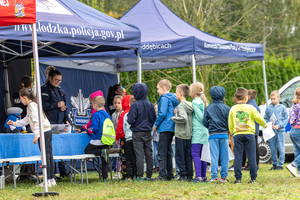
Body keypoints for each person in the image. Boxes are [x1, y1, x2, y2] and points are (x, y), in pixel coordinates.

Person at [7, 88, 56, 187]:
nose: (20, 101)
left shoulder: (32, 105)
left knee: (46, 156)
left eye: (21, 99)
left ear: (24, 97)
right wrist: (15, 123)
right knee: (49, 155)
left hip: (43, 132)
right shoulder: (32, 105)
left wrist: (37, 135)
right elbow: (26, 120)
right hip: (47, 131)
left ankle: (48, 180)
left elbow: (36, 120)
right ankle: (51, 179)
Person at [229, 87, 267, 184]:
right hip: (250, 134)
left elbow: (230, 123)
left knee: (238, 156)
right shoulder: (251, 107)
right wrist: (265, 125)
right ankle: (253, 178)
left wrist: (233, 132)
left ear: (236, 98)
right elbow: (258, 117)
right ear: (246, 98)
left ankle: (238, 178)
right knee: (251, 156)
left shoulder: (233, 109)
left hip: (237, 134)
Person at [41, 67, 71, 178]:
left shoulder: (60, 90)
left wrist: (66, 118)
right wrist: (56, 105)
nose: (57, 82)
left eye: (60, 80)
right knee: (50, 148)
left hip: (60, 124)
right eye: (56, 80)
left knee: (61, 147)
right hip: (50, 124)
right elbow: (43, 106)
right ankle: (51, 173)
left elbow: (64, 107)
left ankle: (64, 171)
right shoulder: (44, 89)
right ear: (50, 78)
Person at [127, 83, 156, 181]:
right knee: (149, 153)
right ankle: (149, 175)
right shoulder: (150, 104)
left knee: (139, 154)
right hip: (148, 131)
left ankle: (139, 175)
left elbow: (130, 120)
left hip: (137, 132)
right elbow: (154, 118)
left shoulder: (135, 105)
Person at [203, 86, 230, 183]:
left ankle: (214, 177)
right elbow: (229, 122)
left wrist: (210, 128)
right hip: (224, 135)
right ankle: (224, 177)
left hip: (213, 135)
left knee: (214, 156)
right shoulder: (227, 108)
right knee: (225, 157)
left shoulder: (208, 108)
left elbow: (205, 122)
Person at [154, 79, 179, 181]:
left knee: (162, 151)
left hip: (165, 127)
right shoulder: (174, 98)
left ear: (164, 88)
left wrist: (156, 124)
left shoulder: (164, 98)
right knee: (168, 151)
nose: (157, 91)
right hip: (172, 126)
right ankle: (169, 174)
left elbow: (162, 113)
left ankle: (162, 174)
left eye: (158, 89)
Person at [84, 96, 110, 182]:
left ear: (95, 104)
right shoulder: (107, 115)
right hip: (106, 140)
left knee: (87, 150)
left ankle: (100, 152)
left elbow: (94, 127)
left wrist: (87, 132)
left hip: (97, 139)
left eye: (92, 104)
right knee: (104, 159)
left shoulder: (96, 114)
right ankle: (105, 177)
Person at [171, 84, 194, 181]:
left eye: (176, 93)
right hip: (188, 134)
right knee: (188, 156)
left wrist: (174, 118)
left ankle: (183, 175)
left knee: (180, 156)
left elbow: (183, 118)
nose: (175, 95)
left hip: (180, 134)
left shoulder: (181, 106)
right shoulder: (190, 105)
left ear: (180, 94)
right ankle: (189, 174)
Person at [264, 90, 288, 170]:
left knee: (281, 148)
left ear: (278, 98)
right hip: (271, 132)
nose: (273, 100)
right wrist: (268, 124)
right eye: (271, 99)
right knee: (272, 148)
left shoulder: (283, 108)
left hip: (280, 131)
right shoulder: (268, 108)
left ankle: (280, 164)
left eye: (274, 99)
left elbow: (286, 119)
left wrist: (279, 125)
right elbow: (265, 118)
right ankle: (274, 164)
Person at [189, 82, 209, 183]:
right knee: (203, 154)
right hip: (205, 132)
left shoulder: (195, 102)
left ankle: (198, 176)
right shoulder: (203, 101)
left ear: (193, 92)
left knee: (195, 153)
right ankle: (204, 176)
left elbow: (200, 117)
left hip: (198, 132)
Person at [242, 89, 261, 170]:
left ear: (248, 96)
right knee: (255, 147)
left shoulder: (248, 106)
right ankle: (256, 164)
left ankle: (251, 164)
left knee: (250, 149)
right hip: (255, 130)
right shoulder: (256, 106)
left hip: (250, 130)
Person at [286, 87, 300, 177]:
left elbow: (289, 119)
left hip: (293, 131)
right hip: (299, 130)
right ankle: (292, 165)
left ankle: (299, 172)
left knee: (298, 152)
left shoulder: (293, 106)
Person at [123, 96, 137, 181]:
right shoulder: (138, 114)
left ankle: (129, 176)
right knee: (136, 157)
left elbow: (124, 127)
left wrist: (126, 135)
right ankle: (136, 174)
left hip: (128, 138)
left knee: (129, 158)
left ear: (129, 104)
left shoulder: (126, 115)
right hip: (136, 137)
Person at [111, 95, 123, 179]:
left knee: (121, 155)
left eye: (119, 103)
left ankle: (120, 171)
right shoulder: (113, 115)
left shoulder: (123, 114)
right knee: (117, 155)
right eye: (115, 103)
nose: (117, 105)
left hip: (121, 136)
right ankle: (117, 171)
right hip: (115, 137)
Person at [153, 103, 159, 173]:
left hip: (160, 138)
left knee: (159, 153)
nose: (156, 110)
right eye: (155, 108)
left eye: (157, 108)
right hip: (154, 138)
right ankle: (156, 165)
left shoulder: (160, 117)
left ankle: (160, 166)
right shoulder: (153, 117)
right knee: (154, 154)